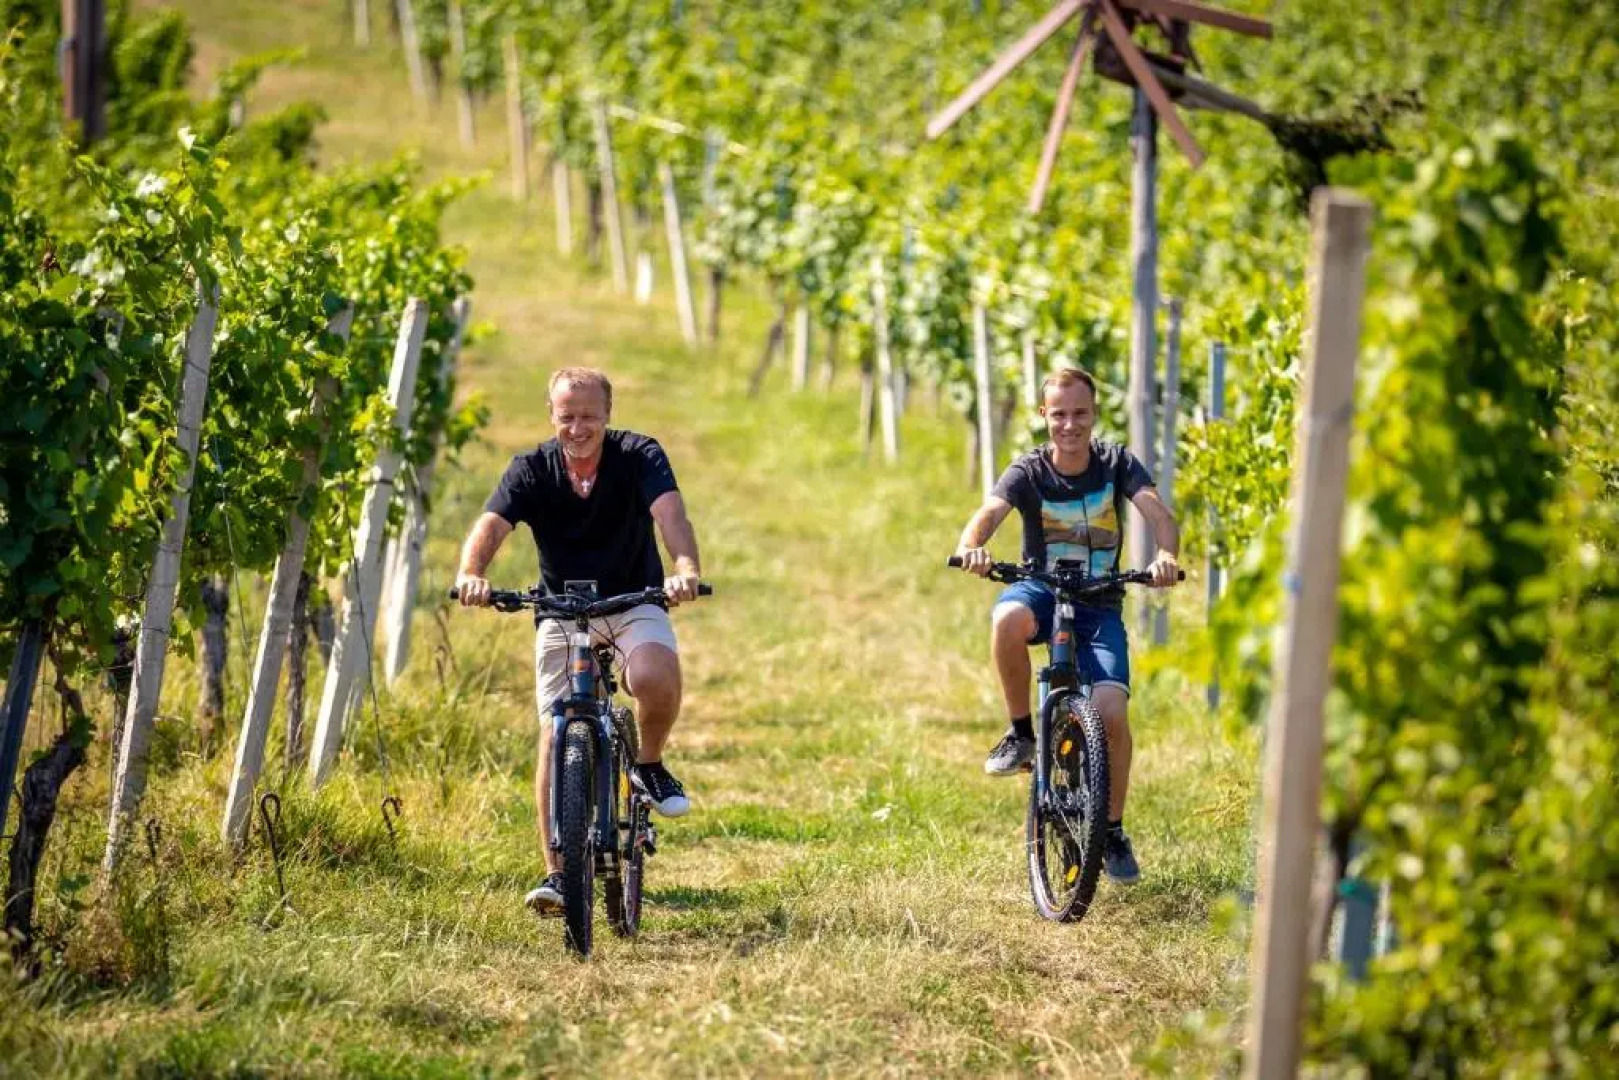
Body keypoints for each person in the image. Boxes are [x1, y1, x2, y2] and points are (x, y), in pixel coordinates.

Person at [454, 367, 704, 915]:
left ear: (608, 414)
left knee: (652, 675)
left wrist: (684, 567)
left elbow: (671, 515)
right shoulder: (531, 468)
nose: (578, 427)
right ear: (551, 415)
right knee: (554, 730)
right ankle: (558, 873)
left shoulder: (639, 455)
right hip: (562, 611)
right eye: (567, 416)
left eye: (589, 415)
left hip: (633, 600)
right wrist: (472, 573)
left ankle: (649, 764)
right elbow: (492, 524)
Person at [951, 367, 1180, 884]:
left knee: (1111, 712)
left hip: (1099, 604)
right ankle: (1021, 735)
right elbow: (989, 512)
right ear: (1044, 416)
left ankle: (1112, 831)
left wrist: (1166, 555)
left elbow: (1159, 516)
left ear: (1095, 415)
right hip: (1043, 590)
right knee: (1007, 618)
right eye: (1059, 414)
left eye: (1080, 414)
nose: (1070, 425)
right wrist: (971, 548)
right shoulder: (1029, 470)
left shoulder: (1117, 463)